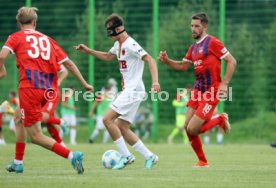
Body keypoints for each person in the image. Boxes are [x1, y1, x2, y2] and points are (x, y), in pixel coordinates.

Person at [0, 7, 93, 174]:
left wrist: (2, 70)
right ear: (35, 22)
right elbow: (69, 64)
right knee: (18, 118)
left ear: (18, 23)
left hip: (30, 88)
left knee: (35, 136)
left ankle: (72, 155)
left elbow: (1, 56)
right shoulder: (49, 40)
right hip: (49, 90)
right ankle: (17, 162)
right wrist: (84, 83)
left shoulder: (15, 37)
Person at [75, 13, 160, 169]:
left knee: (107, 119)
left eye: (110, 31)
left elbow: (150, 59)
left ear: (119, 29)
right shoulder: (118, 45)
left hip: (132, 90)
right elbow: (108, 56)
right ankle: (150, 156)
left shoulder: (130, 44)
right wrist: (88, 51)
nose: (109, 35)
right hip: (132, 90)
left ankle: (126, 156)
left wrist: (155, 82)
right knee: (122, 127)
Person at [159, 12, 236, 167]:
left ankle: (220, 118)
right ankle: (202, 161)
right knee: (188, 128)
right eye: (192, 26)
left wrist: (225, 83)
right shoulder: (193, 48)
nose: (193, 29)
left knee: (193, 128)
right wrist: (167, 61)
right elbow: (183, 66)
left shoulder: (213, 42)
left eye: (197, 26)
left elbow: (232, 61)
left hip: (212, 91)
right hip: (197, 90)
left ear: (205, 26)